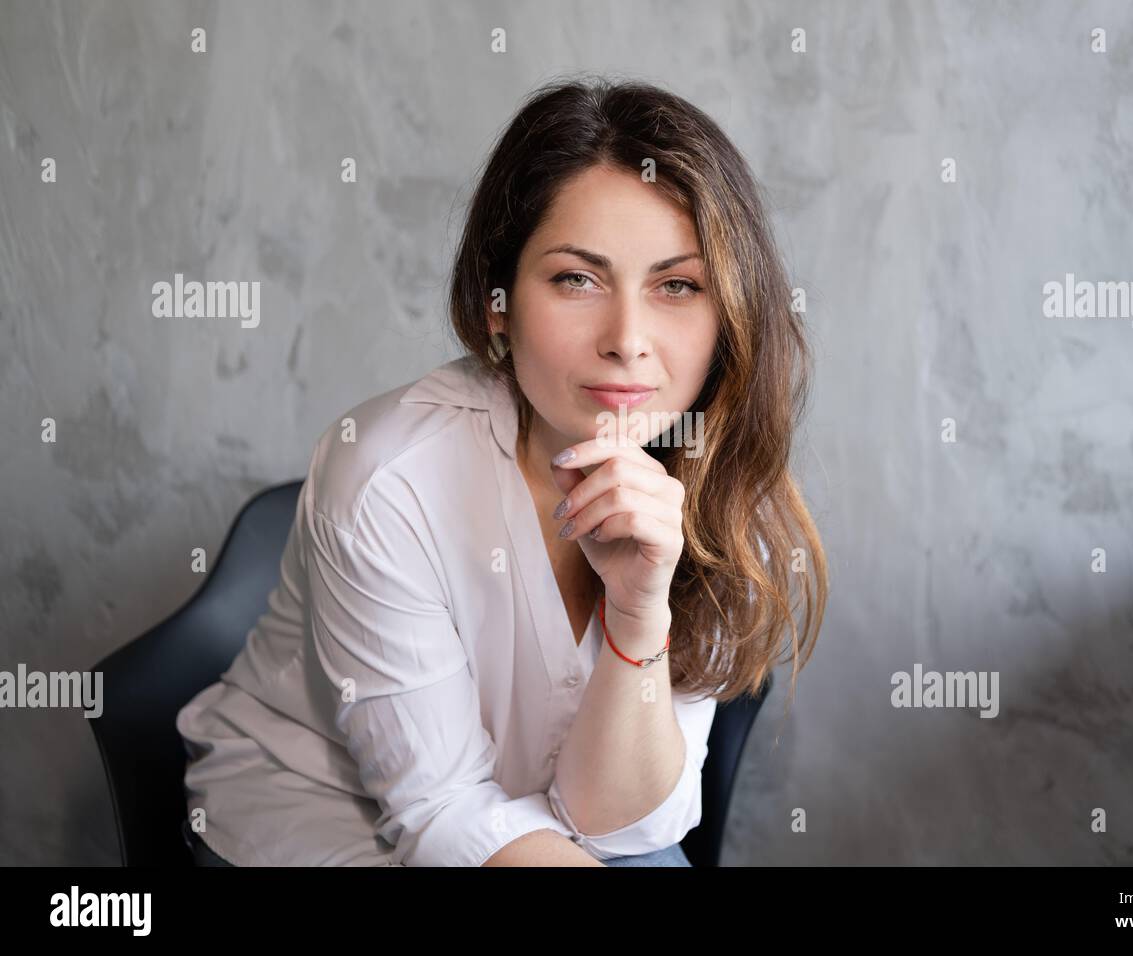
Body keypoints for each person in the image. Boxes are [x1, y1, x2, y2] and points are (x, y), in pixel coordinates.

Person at [176, 74, 828, 867]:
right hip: (326, 816)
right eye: (576, 279)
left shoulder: (717, 491)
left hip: (556, 825)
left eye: (677, 285)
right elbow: (443, 814)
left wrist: (638, 611)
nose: (627, 338)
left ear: (727, 314)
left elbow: (619, 824)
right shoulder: (389, 472)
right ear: (497, 301)